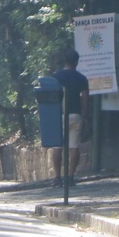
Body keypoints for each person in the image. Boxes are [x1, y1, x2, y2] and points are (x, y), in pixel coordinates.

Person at [51, 49, 90, 187]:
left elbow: (51, 98)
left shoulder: (55, 77)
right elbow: (85, 99)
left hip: (58, 115)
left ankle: (57, 177)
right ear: (76, 62)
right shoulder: (81, 78)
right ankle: (70, 177)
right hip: (75, 115)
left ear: (64, 60)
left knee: (57, 147)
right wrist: (85, 116)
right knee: (74, 147)